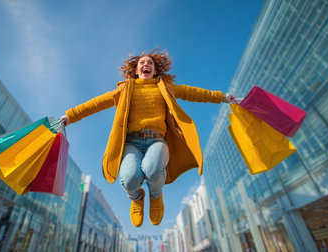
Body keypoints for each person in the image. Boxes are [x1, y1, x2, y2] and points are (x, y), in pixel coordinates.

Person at [61, 48, 234, 227]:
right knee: (129, 179)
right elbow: (95, 103)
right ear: (136, 70)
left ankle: (156, 196)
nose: (146, 64)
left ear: (155, 70)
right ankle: (137, 199)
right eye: (142, 63)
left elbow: (194, 93)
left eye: (150, 63)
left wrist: (223, 97)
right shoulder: (124, 89)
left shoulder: (165, 87)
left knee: (152, 169)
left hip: (157, 140)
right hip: (131, 143)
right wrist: (69, 116)